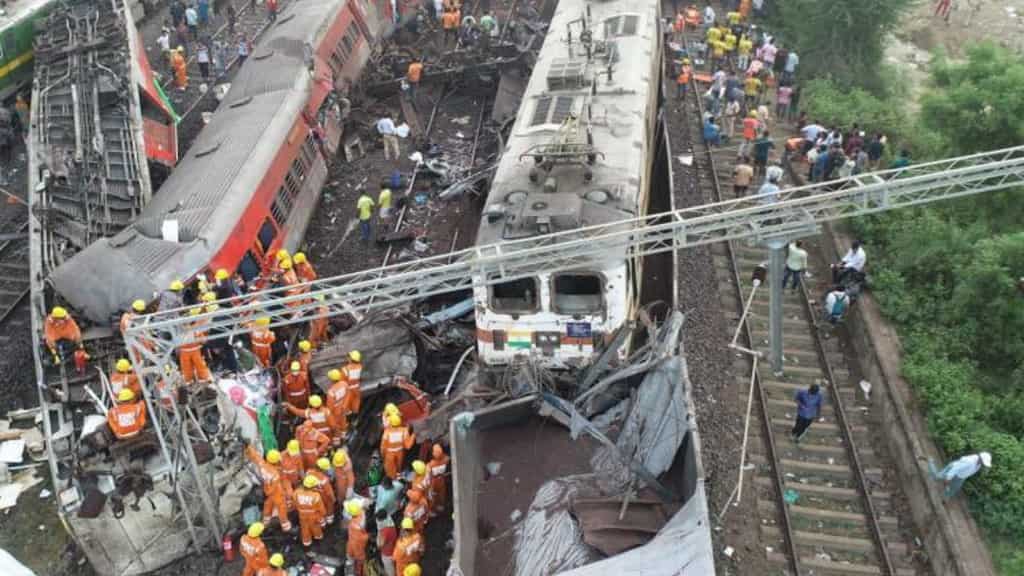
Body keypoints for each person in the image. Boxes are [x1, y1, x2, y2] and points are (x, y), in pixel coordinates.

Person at [245, 446, 293, 531]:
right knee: (282, 509)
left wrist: (248, 447)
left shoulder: (263, 465)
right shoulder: (275, 474)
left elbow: (256, 457)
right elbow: (276, 485)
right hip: (276, 493)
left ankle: (265, 523)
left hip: (267, 490)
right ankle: (286, 527)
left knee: (268, 505)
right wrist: (286, 493)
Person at [295, 475, 327, 547]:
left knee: (304, 528)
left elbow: (295, 503)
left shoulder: (297, 493)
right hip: (314, 516)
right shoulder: (316, 496)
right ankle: (318, 539)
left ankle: (307, 543)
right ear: (312, 486)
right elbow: (321, 508)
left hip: (302, 515)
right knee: (316, 527)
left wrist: (300, 510)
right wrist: (324, 515)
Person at [381, 413, 416, 479]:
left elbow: (383, 447)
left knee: (390, 470)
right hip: (400, 453)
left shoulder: (386, 433)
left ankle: (391, 478)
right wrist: (413, 435)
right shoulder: (404, 431)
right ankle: (398, 477)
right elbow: (408, 446)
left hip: (389, 454)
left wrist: (383, 455)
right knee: (399, 468)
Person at [310, 457, 337, 524]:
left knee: (318, 508)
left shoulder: (309, 473)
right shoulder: (324, 479)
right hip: (324, 497)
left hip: (314, 496)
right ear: (322, 469)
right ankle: (329, 519)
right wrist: (333, 499)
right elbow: (329, 493)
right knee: (329, 505)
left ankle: (321, 520)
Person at [346, 500, 370, 576]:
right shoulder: (361, 513)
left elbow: (361, 540)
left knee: (358, 563)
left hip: (356, 549)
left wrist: (368, 536)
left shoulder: (354, 526)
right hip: (355, 546)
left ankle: (357, 573)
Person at [427, 443, 449, 514]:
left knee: (433, 496)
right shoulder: (446, 459)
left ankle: (433, 509)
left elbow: (428, 476)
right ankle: (441, 506)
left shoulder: (430, 464)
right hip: (442, 479)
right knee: (442, 493)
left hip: (433, 481)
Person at [377, 509, 399, 576]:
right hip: (394, 548)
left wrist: (378, 541)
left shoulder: (385, 531)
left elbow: (380, 544)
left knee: (390, 570)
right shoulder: (390, 521)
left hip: (387, 553)